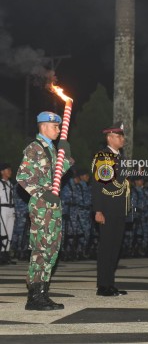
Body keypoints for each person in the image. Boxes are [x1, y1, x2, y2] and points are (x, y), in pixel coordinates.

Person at [16, 111, 74, 311]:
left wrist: (65, 155)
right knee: (40, 250)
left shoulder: (51, 149)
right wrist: (42, 194)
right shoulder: (35, 148)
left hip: (54, 205)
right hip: (42, 206)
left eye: (59, 126)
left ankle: (43, 293)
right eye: (55, 126)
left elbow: (56, 174)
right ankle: (34, 297)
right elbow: (22, 177)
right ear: (43, 126)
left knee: (52, 249)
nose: (58, 130)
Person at [91, 122, 129, 297]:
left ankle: (110, 283)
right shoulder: (103, 156)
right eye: (119, 136)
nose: (122, 139)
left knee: (115, 247)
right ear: (109, 137)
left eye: (122, 136)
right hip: (107, 209)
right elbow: (99, 185)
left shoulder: (120, 157)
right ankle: (103, 286)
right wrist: (98, 210)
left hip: (119, 209)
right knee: (107, 248)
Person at [0, 163, 16, 264]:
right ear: (2, 172)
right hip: (2, 208)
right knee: (3, 232)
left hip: (11, 209)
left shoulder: (10, 184)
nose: (10, 172)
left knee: (10, 233)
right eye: (7, 170)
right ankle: (1, 254)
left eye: (10, 170)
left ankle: (6, 254)